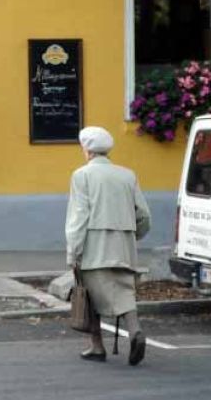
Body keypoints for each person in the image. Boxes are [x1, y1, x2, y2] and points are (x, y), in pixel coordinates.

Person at [65, 126, 152, 366]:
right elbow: (144, 215)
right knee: (124, 291)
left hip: (94, 247)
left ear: (87, 150)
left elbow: (79, 217)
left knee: (90, 295)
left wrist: (73, 251)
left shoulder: (82, 175)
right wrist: (132, 236)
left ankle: (97, 346)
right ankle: (135, 331)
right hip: (124, 246)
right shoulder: (127, 175)